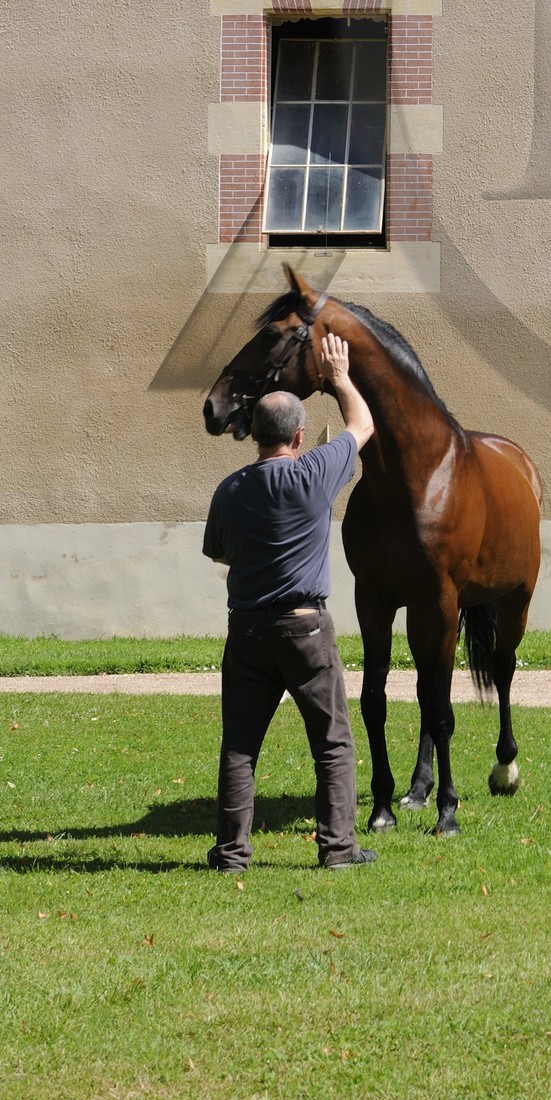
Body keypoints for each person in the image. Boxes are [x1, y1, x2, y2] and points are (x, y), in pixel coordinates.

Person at [202, 333, 376, 871]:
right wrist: (340, 376)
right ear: (300, 436)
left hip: (247, 632)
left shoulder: (229, 490)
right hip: (305, 629)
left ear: (253, 435)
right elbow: (362, 425)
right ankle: (338, 850)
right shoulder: (315, 472)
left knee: (240, 747)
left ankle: (232, 853)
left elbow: (220, 554)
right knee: (332, 744)